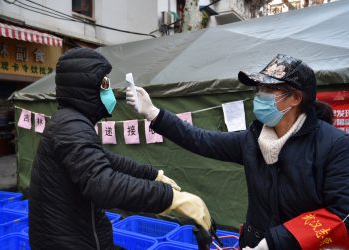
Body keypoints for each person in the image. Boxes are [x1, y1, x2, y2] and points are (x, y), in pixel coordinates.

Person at [126, 54, 349, 249]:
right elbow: (201, 140)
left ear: (296, 98)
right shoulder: (253, 140)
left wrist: (276, 242)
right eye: (258, 88)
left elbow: (342, 214)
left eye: (269, 89)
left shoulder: (334, 146)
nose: (260, 95)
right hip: (252, 243)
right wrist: (153, 113)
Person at [28, 48, 211, 250]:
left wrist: (154, 175)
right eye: (104, 84)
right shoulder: (71, 126)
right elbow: (103, 184)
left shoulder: (69, 122)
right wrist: (172, 199)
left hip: (81, 235)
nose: (110, 90)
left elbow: (106, 160)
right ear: (86, 87)